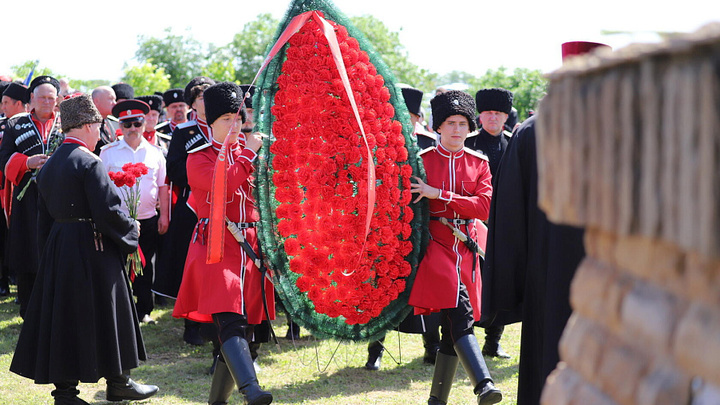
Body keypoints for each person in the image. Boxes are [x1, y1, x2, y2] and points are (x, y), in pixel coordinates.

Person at [9, 94, 158, 404]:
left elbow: (43, 219)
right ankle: (119, 381)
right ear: (89, 126)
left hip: (59, 249)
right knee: (109, 312)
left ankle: (66, 393)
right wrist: (132, 231)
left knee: (65, 318)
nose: (100, 133)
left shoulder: (49, 166)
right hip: (94, 247)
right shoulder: (90, 161)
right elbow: (106, 211)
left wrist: (48, 256)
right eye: (99, 126)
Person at [481, 41, 606, 405]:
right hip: (611, 275)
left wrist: (510, 289)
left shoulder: (530, 132)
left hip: (550, 275)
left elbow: (509, 223)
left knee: (548, 365)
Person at [173, 82, 275, 405]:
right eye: (225, 119)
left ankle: (217, 402)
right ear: (211, 122)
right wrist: (248, 153)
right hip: (216, 246)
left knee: (249, 334)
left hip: (252, 248)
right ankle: (252, 392)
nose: (234, 125)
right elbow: (226, 186)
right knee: (230, 322)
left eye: (237, 117)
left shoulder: (253, 153)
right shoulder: (198, 157)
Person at [408, 90, 501, 405]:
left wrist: (439, 194)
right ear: (437, 126)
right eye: (450, 122)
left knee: (453, 330)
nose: (457, 129)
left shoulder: (479, 163)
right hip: (435, 247)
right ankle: (484, 385)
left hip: (467, 248)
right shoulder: (420, 162)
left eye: (463, 123)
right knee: (460, 315)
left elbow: (484, 207)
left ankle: (436, 400)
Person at [363, 84, 441, 371]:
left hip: (424, 225)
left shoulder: (430, 144)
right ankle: (375, 350)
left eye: (408, 115)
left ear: (417, 117)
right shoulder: (377, 143)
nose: (402, 120)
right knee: (381, 285)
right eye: (397, 113)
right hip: (385, 226)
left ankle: (432, 345)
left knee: (427, 286)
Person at [100, 99, 170, 325]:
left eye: (137, 123)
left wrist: (165, 215)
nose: (132, 129)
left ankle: (143, 310)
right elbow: (100, 187)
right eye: (127, 124)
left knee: (145, 265)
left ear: (144, 123)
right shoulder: (107, 152)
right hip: (118, 221)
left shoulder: (155, 152)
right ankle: (121, 308)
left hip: (148, 219)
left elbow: (163, 187)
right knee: (118, 264)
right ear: (120, 126)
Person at [158, 76, 215, 347]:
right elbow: (174, 169)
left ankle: (216, 320)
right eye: (201, 97)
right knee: (191, 266)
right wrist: (204, 178)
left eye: (210, 95)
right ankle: (192, 325)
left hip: (223, 205)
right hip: (192, 208)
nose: (206, 101)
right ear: (192, 103)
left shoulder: (225, 126)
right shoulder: (184, 131)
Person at [0, 75, 62, 317]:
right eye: (41, 97)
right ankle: (28, 308)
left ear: (57, 101)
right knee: (28, 250)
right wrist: (27, 162)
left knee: (56, 249)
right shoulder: (15, 125)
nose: (46, 102)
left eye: (51, 98)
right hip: (27, 200)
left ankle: (56, 306)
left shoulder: (66, 123)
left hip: (61, 198)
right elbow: (3, 159)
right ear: (32, 100)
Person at [464, 87, 514, 359]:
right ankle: (464, 338)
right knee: (470, 281)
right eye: (488, 113)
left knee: (501, 282)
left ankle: (493, 341)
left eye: (498, 113)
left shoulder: (513, 142)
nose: (493, 117)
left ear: (505, 116)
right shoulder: (467, 143)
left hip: (503, 225)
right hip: (471, 223)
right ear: (480, 116)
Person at [90, 86, 119, 154]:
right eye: (110, 99)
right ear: (96, 101)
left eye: (114, 99)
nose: (114, 103)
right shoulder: (87, 125)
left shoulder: (115, 123)